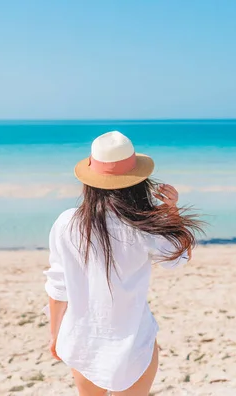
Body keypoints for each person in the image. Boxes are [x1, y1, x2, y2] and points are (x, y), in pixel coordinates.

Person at [44, 131, 203, 395]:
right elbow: (178, 259)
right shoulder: (145, 225)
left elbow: (57, 285)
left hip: (84, 337)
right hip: (132, 340)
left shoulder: (67, 223)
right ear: (139, 181)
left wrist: (54, 334)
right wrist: (171, 212)